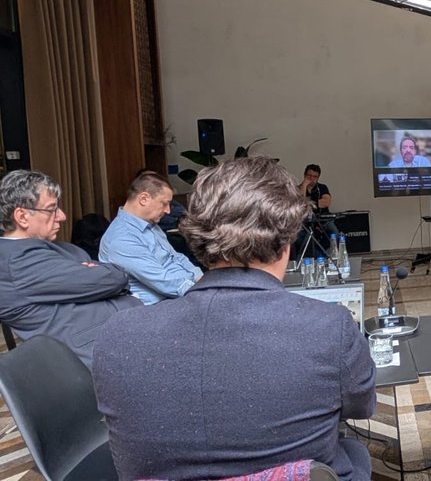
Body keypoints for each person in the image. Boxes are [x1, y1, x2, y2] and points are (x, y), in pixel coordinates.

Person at [92, 156, 376, 481]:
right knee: (354, 452)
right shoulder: (329, 326)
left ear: (198, 241)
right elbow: (361, 406)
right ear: (286, 244)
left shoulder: (116, 335)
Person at [0, 170, 139, 369]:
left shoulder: (54, 248)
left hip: (123, 335)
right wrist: (105, 275)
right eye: (52, 209)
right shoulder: (17, 261)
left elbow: (102, 277)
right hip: (99, 357)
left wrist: (98, 275)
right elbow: (111, 279)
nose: (62, 216)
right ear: (22, 217)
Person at [99, 171, 202, 305]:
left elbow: (176, 257)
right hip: (156, 306)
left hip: (179, 294)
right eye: (164, 203)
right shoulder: (121, 239)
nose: (168, 211)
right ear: (144, 199)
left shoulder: (150, 225)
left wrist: (200, 278)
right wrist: (201, 290)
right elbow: (163, 281)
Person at [295, 163, 338, 258]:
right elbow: (300, 204)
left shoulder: (322, 188)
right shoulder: (297, 189)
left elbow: (326, 202)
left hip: (323, 219)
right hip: (304, 222)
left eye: (315, 177)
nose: (312, 178)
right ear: (304, 175)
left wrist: (307, 202)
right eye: (309, 176)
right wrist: (304, 185)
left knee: (334, 232)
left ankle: (324, 254)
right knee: (300, 237)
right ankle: (319, 257)